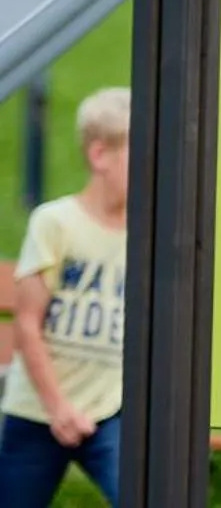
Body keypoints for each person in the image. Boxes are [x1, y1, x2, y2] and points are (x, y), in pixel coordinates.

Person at [0, 88, 130, 506]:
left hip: (109, 412)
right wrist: (58, 408)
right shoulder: (56, 223)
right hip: (39, 410)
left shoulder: (149, 234)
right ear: (100, 155)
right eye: (140, 152)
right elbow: (26, 324)